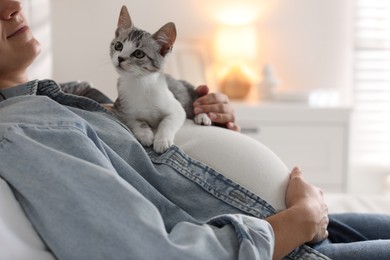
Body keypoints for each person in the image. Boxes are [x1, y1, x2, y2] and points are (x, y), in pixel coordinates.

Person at [0, 1, 389, 259]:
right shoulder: (26, 127)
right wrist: (295, 223)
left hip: (290, 219)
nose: (14, 5)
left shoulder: (68, 95)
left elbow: (155, 156)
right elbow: (150, 251)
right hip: (283, 242)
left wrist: (212, 129)